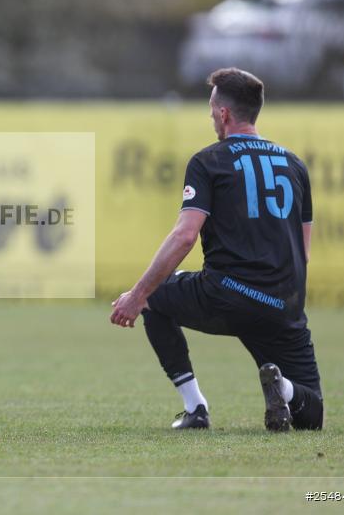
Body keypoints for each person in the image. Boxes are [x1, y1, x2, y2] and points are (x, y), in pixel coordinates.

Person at [110, 67, 323, 432]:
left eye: (212, 109)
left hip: (227, 294)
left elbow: (185, 236)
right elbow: (302, 254)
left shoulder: (208, 161)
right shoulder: (295, 166)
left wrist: (137, 294)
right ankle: (283, 389)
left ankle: (196, 408)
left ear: (224, 113)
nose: (210, 116)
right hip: (282, 306)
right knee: (312, 415)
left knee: (153, 298)